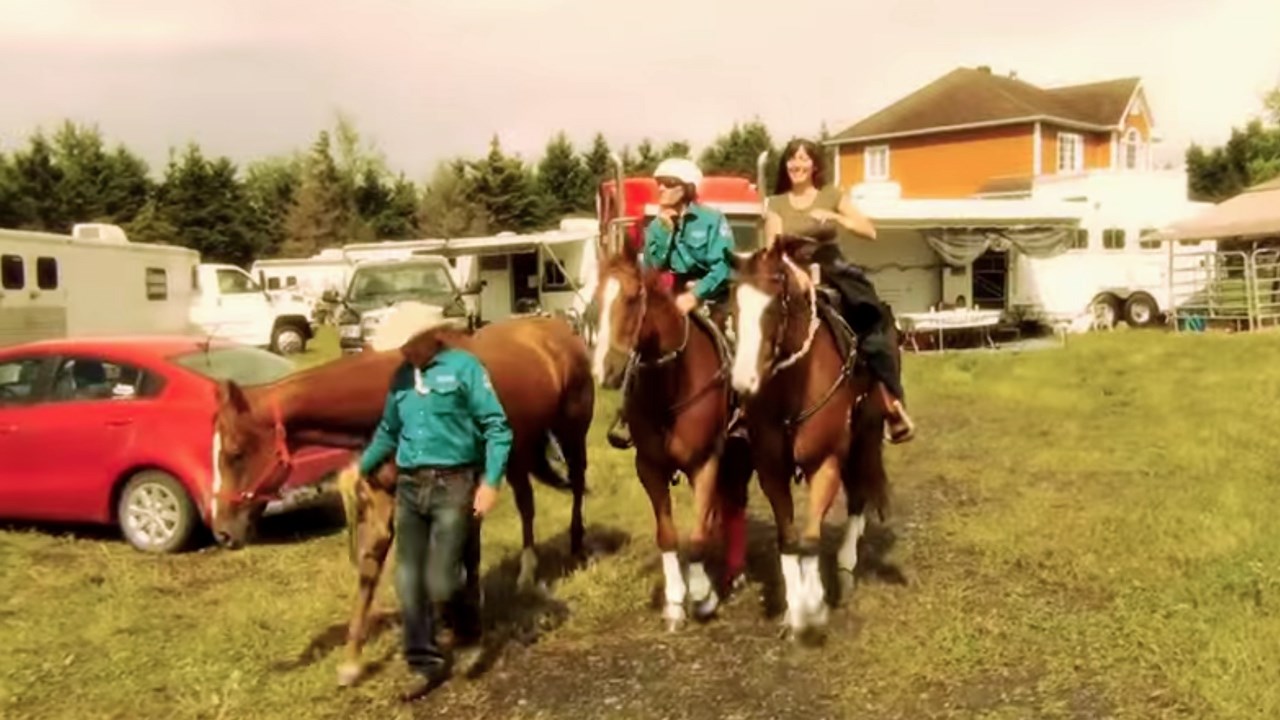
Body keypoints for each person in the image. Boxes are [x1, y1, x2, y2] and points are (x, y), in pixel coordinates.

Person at [358, 322, 514, 701]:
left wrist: (491, 482)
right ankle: (424, 663)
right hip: (411, 488)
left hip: (455, 483)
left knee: (442, 580)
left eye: (408, 343)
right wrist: (361, 467)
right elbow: (388, 430)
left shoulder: (466, 369)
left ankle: (467, 626)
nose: (403, 352)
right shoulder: (400, 378)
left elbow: (497, 427)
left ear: (430, 337)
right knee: (409, 581)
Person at [764, 137, 915, 444]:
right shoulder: (775, 203)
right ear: (785, 165)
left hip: (833, 267)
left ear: (815, 164)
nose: (798, 164)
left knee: (873, 318)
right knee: (754, 323)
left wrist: (836, 217)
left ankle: (891, 403)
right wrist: (794, 273)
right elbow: (772, 249)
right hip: (791, 271)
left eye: (804, 158)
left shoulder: (832, 195)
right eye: (792, 159)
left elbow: (868, 231)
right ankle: (745, 412)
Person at [605, 157, 736, 450]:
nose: (661, 189)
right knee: (641, 348)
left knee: (734, 343)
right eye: (659, 184)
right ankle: (627, 413)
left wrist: (697, 293)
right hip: (673, 297)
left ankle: (742, 417)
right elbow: (654, 266)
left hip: (713, 295)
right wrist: (663, 232)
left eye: (669, 184)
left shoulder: (712, 220)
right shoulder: (657, 225)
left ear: (687, 188)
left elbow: (724, 265)